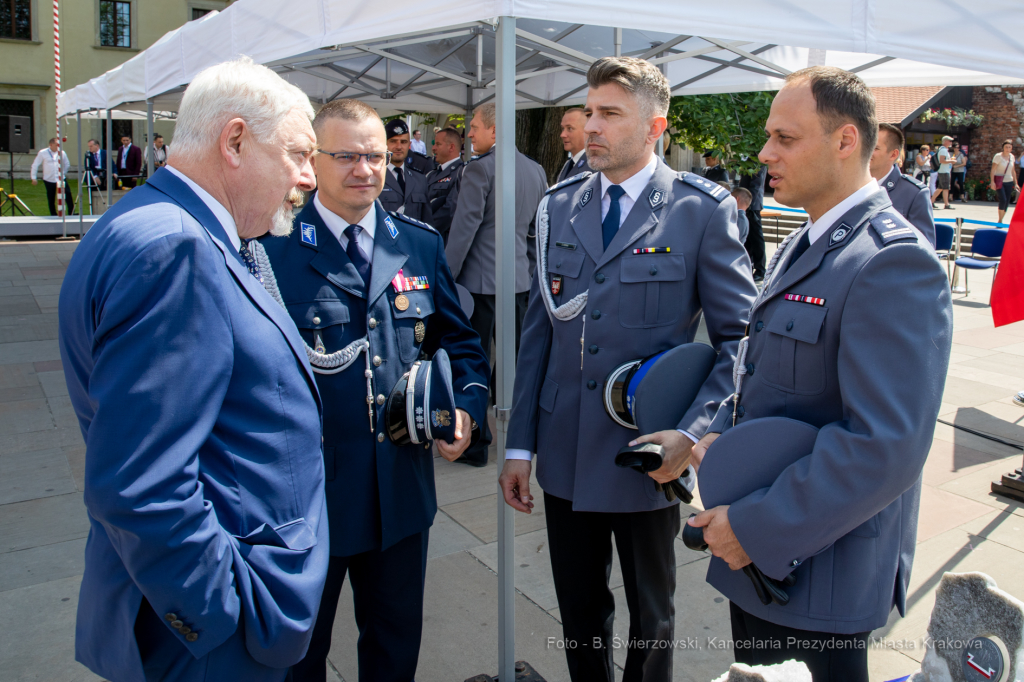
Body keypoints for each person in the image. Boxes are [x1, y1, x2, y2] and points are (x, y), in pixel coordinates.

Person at [57, 57, 328, 682]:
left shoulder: (163, 224)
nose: (310, 177)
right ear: (234, 140)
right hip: (208, 642)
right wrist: (223, 615)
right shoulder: (176, 246)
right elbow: (139, 483)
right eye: (298, 154)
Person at [687, 66, 952, 681]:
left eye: (785, 137)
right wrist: (723, 440)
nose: (764, 152)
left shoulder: (891, 262)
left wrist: (752, 527)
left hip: (814, 572)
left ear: (845, 141)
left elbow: (885, 446)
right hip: (759, 558)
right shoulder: (804, 244)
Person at [500, 56, 756, 682]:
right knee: (580, 613)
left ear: (654, 127)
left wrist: (692, 433)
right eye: (589, 112)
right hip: (564, 450)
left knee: (653, 616)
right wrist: (518, 445)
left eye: (609, 114)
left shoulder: (699, 211)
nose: (591, 126)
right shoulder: (559, 207)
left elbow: (741, 342)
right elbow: (539, 334)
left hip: (649, 455)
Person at [259, 99, 490, 682]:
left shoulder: (417, 244)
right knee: (297, 657)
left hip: (399, 495)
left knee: (393, 650)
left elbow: (460, 344)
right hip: (308, 504)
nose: (365, 169)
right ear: (312, 161)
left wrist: (465, 407)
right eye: (346, 156)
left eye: (374, 155)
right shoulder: (271, 248)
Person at [446, 102, 548, 467]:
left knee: (474, 364)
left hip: (479, 284)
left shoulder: (480, 170)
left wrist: (445, 277)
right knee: (516, 364)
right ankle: (518, 438)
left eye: (474, 127)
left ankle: (474, 444)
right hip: (519, 281)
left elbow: (463, 230)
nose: (469, 134)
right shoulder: (536, 170)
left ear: (496, 130)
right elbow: (538, 232)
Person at [869, 122, 935, 246]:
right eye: (866, 145)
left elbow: (925, 248)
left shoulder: (914, 193)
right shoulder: (850, 187)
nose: (867, 151)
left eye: (875, 148)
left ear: (893, 154)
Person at [379, 119, 433, 223]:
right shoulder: (374, 177)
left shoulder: (420, 179)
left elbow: (427, 220)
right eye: (393, 141)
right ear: (384, 144)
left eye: (403, 142)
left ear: (409, 144)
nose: (399, 147)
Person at [425, 127, 464, 244]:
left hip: (444, 240)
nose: (433, 148)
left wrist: (425, 230)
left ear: (451, 147)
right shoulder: (431, 174)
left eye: (438, 144)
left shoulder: (461, 173)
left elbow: (450, 210)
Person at [30, 138, 74, 215]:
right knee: (51, 197)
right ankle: (53, 214)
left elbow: (67, 164)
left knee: (68, 195)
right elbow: (35, 164)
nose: (58, 147)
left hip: (60, 178)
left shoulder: (62, 153)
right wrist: (33, 177)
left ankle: (71, 212)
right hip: (49, 179)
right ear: (51, 145)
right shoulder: (43, 153)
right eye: (57, 145)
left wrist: (63, 173)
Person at [739, 165, 768, 280]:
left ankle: (760, 270)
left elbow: (757, 185)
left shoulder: (757, 161)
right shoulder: (746, 159)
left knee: (756, 238)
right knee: (748, 238)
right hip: (745, 204)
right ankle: (748, 267)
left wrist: (749, 205)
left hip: (752, 205)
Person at [557, 107, 592, 182]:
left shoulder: (594, 165)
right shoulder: (569, 164)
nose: (562, 135)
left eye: (570, 128)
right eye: (563, 128)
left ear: (587, 131)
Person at [991, 139, 1019, 224]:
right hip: (1000, 181)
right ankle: (1000, 220)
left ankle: (1001, 219)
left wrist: (1016, 183)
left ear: (1011, 148)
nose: (1007, 149)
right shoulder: (998, 156)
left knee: (1007, 201)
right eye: (1006, 147)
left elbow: (1013, 170)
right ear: (1003, 147)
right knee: (1002, 199)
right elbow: (993, 170)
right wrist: (992, 181)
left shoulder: (1012, 157)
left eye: (1009, 147)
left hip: (1009, 181)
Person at [931, 135, 954, 209]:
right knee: (945, 188)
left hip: (943, 171)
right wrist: (952, 161)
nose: (951, 142)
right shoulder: (943, 150)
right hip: (944, 171)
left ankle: (930, 202)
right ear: (945, 142)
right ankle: (946, 204)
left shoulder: (943, 149)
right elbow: (942, 160)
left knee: (940, 188)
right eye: (949, 141)